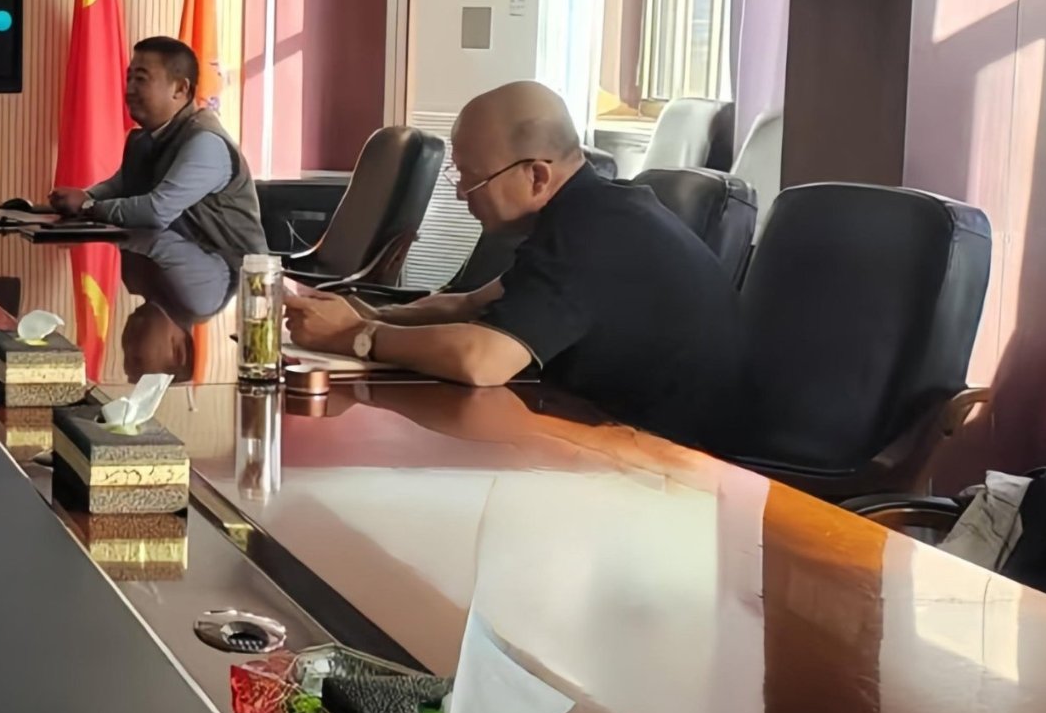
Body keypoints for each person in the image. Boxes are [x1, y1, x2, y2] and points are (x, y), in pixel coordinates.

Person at [283, 80, 746, 450]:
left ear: (537, 175)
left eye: (470, 178)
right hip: (609, 439)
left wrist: (355, 337)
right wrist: (367, 312)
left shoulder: (593, 232)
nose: (461, 194)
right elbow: (468, 303)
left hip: (670, 466)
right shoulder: (592, 211)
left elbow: (482, 360)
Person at [48, 36, 267, 320]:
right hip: (178, 268)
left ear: (180, 89)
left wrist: (88, 207)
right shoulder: (146, 138)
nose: (129, 89)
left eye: (141, 79)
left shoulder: (205, 142)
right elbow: (121, 185)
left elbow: (156, 212)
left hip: (230, 279)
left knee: (150, 235)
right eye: (129, 78)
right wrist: (87, 195)